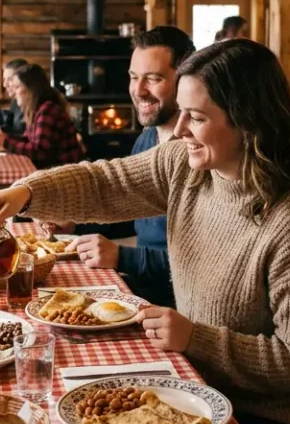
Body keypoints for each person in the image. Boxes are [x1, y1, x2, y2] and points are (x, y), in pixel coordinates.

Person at [0, 39, 290, 424]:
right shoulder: (187, 165)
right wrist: (25, 193)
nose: (181, 128)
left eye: (198, 117)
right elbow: (105, 182)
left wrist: (196, 339)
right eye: (181, 110)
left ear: (247, 121)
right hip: (201, 390)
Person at [63, 26, 196, 307]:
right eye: (134, 78)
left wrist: (122, 256)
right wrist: (76, 223)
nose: (138, 90)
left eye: (153, 78)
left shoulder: (199, 151)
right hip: (140, 283)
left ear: (185, 80)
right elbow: (136, 208)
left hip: (178, 303)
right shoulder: (148, 137)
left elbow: (204, 263)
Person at [0, 64, 84, 169]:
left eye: (18, 87)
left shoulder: (48, 110)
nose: (14, 92)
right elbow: (28, 140)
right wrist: (5, 137)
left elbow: (40, 152)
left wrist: (5, 142)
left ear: (31, 89)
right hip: (54, 171)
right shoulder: (38, 109)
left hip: (64, 175)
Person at [0, 58, 28, 135]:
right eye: (4, 79)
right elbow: (9, 129)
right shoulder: (15, 102)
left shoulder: (35, 104)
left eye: (10, 79)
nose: (5, 85)